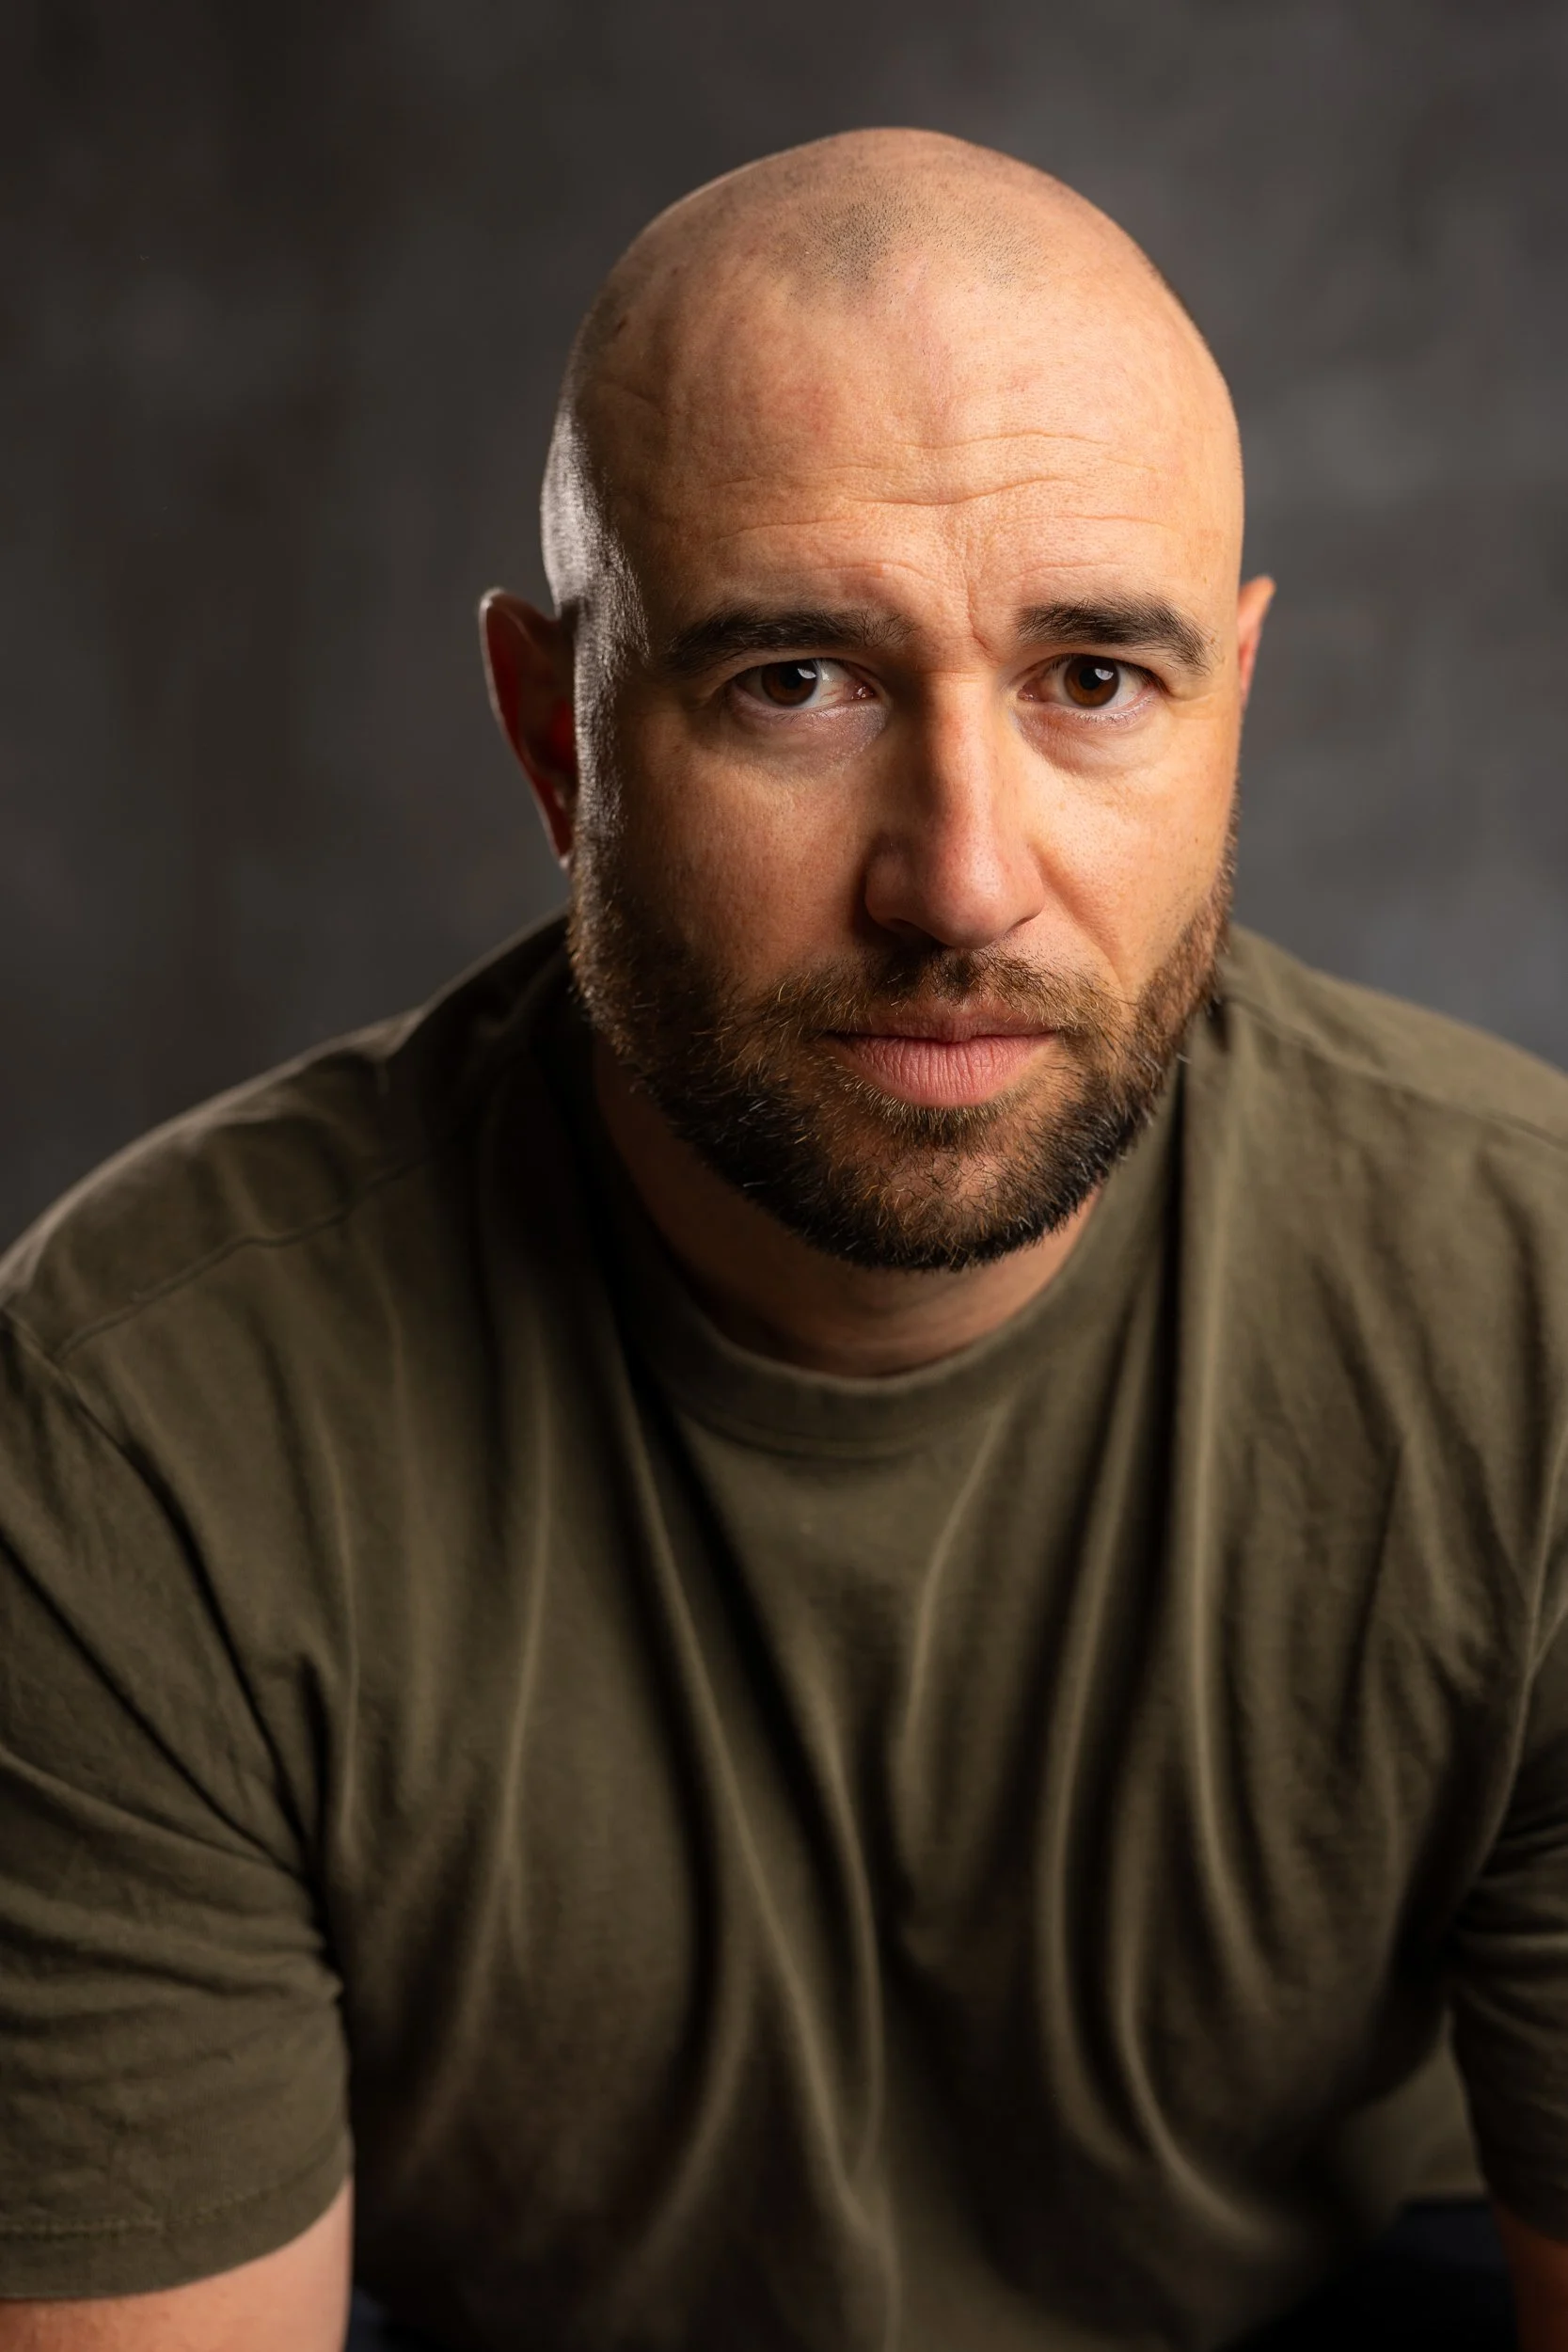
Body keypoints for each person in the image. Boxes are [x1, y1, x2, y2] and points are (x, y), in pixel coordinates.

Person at [1, 126, 1565, 2352]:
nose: (957, 878)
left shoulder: (1536, 1333)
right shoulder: (138, 1431)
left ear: (1233, 707)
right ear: (556, 738)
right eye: (794, 682)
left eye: (1089, 681)